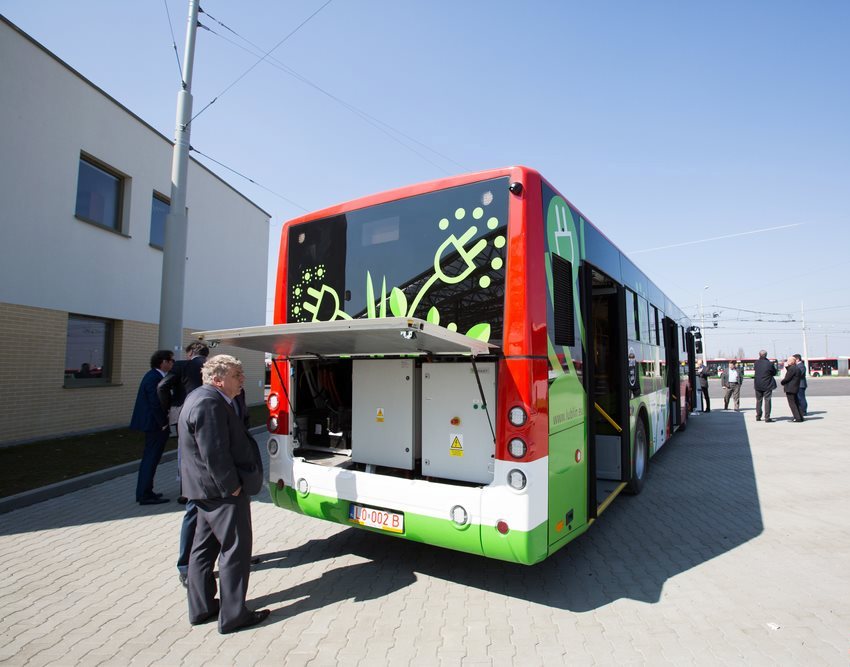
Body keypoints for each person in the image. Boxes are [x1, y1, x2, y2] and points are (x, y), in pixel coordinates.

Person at [178, 355, 269, 633]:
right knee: (235, 550)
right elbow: (214, 451)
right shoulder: (209, 403)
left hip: (205, 490)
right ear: (218, 380)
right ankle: (234, 615)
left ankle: (202, 608)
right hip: (221, 493)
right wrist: (232, 486)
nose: (242, 379)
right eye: (236, 375)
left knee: (203, 550)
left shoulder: (202, 397)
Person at [129, 350, 175, 504]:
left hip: (154, 423)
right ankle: (144, 494)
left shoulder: (155, 376)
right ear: (163, 362)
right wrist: (163, 423)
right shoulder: (154, 378)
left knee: (152, 458)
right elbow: (155, 403)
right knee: (151, 458)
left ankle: (147, 491)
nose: (173, 364)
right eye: (171, 361)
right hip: (154, 425)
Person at [753, 350, 778, 422]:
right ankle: (767, 417)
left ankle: (758, 416)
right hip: (767, 384)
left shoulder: (756, 363)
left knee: (758, 400)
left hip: (758, 384)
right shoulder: (769, 364)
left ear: (759, 354)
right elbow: (774, 373)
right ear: (766, 355)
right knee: (767, 400)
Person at [780, 355, 804, 422]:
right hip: (795, 387)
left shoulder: (792, 369)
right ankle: (800, 417)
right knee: (796, 403)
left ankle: (797, 418)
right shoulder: (797, 368)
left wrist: (782, 382)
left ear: (791, 362)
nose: (787, 362)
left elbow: (787, 378)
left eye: (788, 361)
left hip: (790, 388)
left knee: (792, 403)